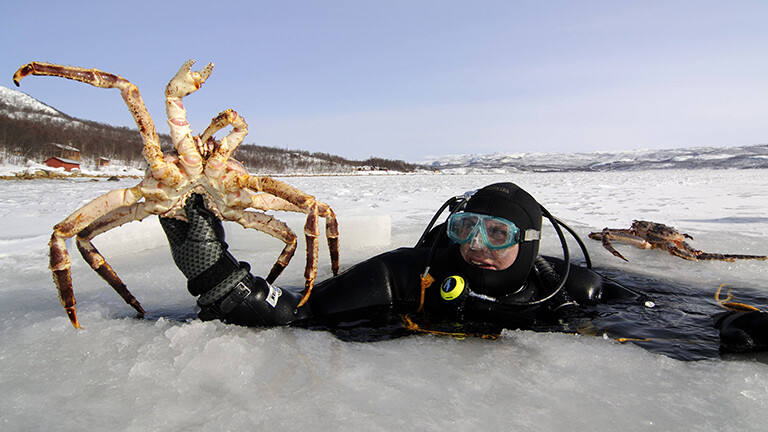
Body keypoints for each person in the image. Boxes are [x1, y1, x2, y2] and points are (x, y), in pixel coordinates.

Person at [159, 183, 768, 358]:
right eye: (465, 230)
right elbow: (298, 311)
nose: (475, 245)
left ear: (529, 245)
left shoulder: (571, 286)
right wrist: (218, 279)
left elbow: (666, 319)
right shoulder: (406, 274)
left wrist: (727, 329)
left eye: (495, 235)